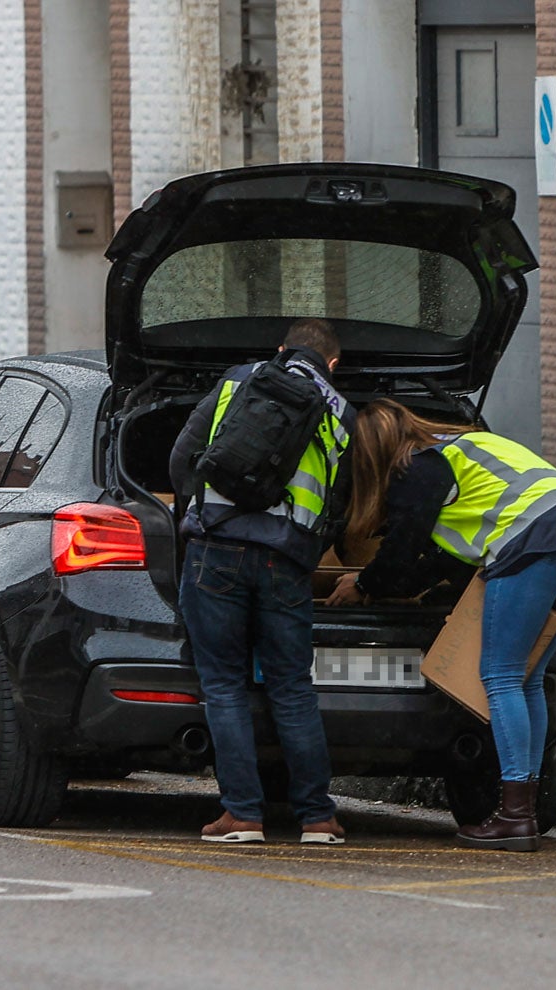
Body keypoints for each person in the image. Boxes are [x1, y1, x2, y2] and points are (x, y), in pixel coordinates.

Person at [325, 398, 556, 851]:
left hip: (532, 539)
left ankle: (515, 814)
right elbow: (442, 559)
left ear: (369, 452)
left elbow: (403, 547)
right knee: (529, 678)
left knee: (500, 675)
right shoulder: (460, 447)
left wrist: (364, 583)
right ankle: (526, 809)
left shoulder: (417, 469)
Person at [170, 318, 355, 844]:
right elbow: (340, 505)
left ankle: (244, 815)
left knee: (224, 685)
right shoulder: (341, 413)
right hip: (287, 562)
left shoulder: (238, 380)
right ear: (333, 365)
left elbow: (182, 455)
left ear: (280, 350)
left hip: (217, 550)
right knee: (293, 688)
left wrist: (197, 516)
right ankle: (318, 817)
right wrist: (304, 547)